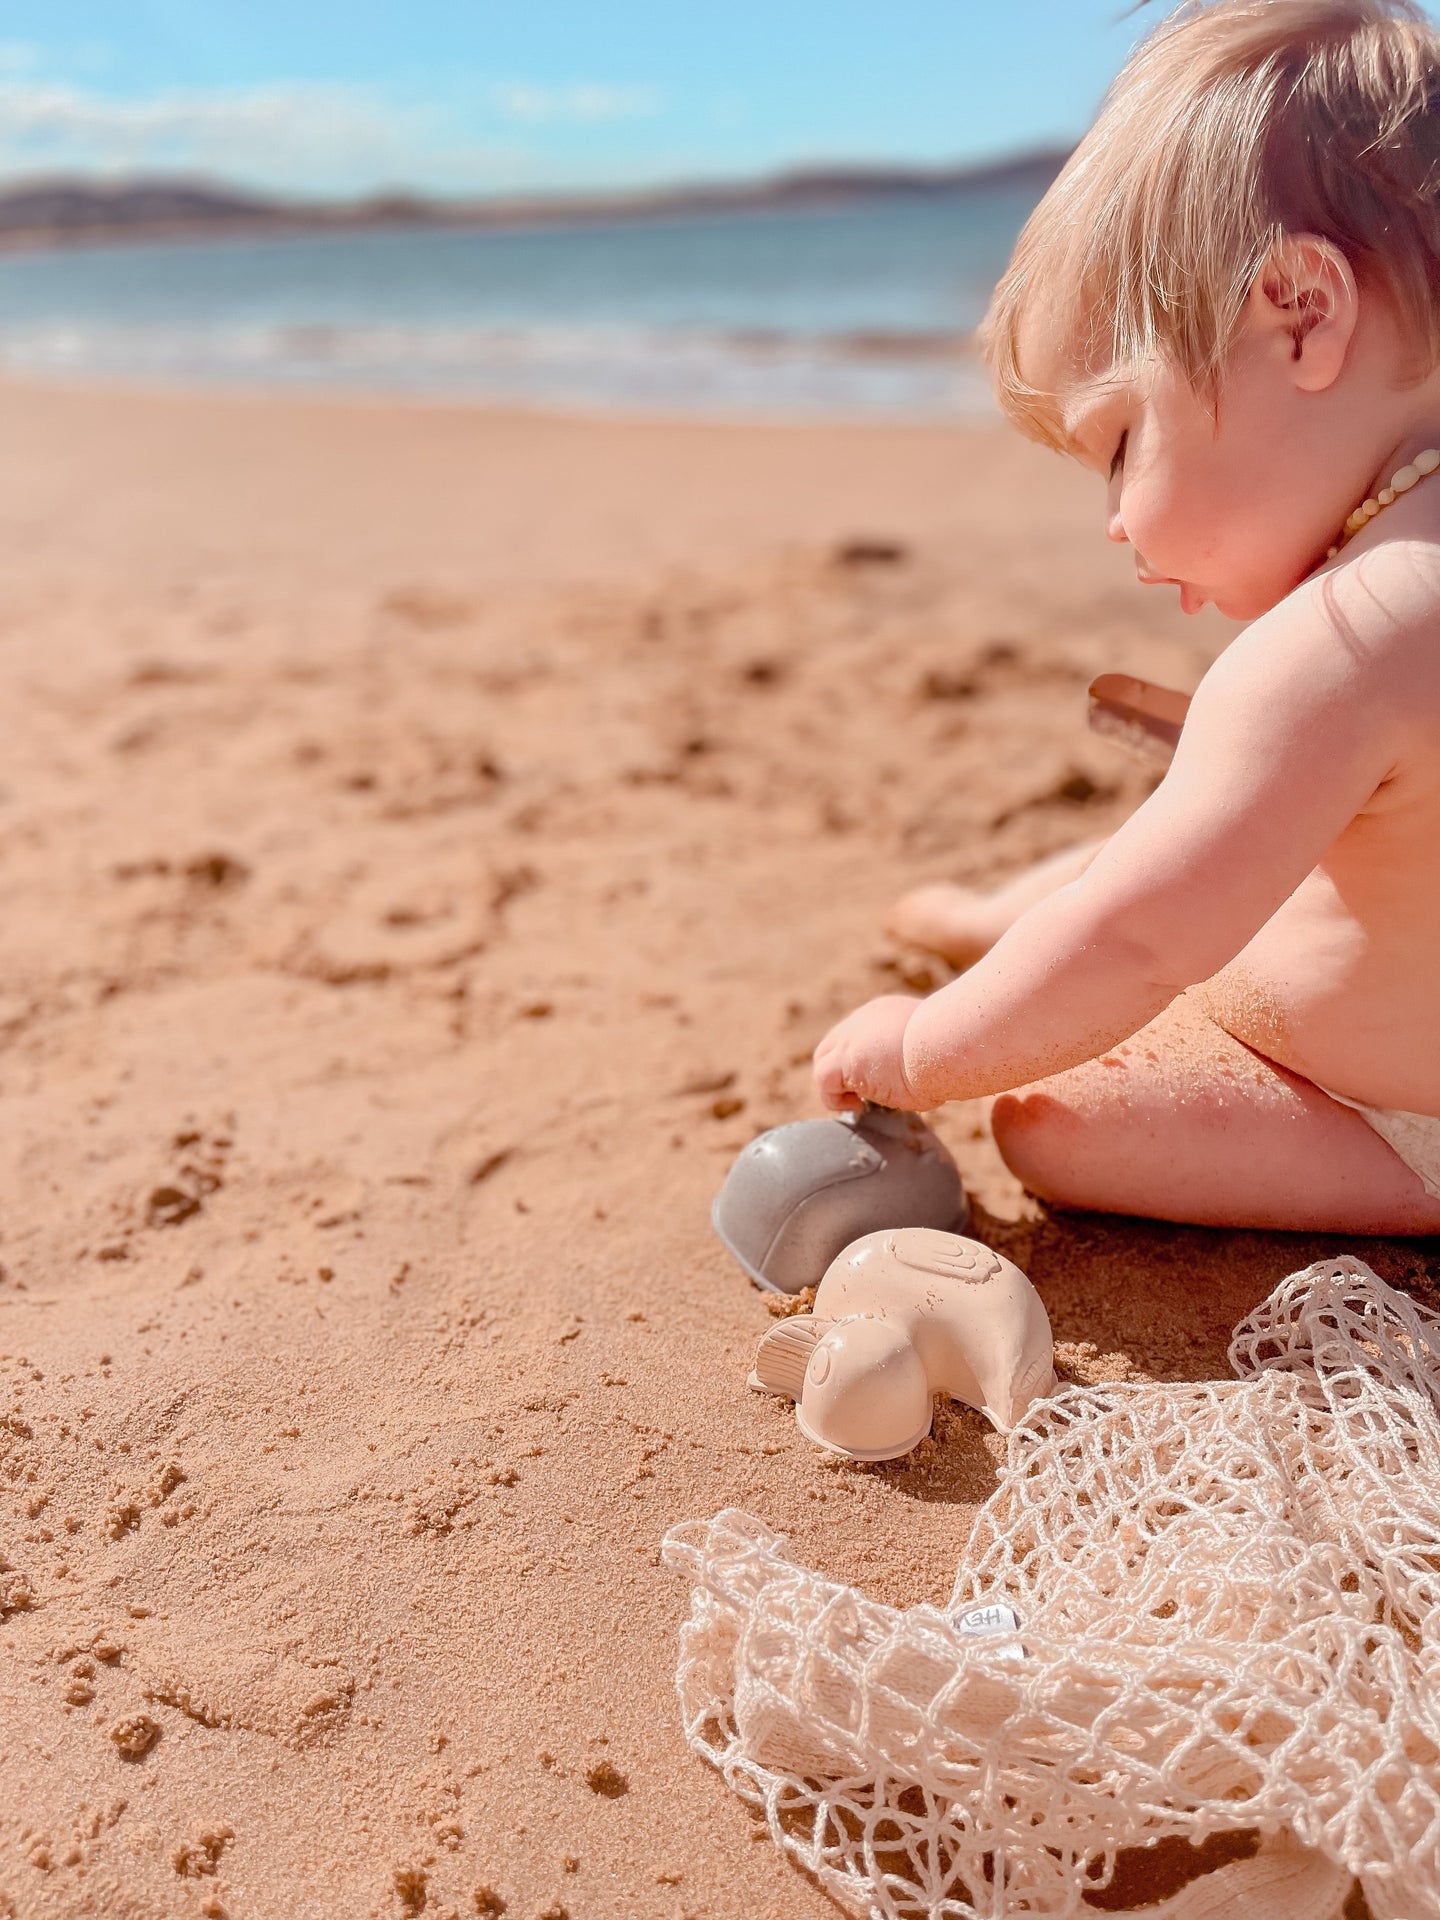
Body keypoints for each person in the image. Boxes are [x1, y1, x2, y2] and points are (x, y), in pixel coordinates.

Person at [813, 0, 1440, 1234]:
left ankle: (996, 944)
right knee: (1182, 816)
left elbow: (1142, 942)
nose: (1112, 520)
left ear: (1304, 316)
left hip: (1397, 1116)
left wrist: (925, 1047)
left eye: (1117, 444)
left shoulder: (1347, 636)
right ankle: (997, 922)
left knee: (1053, 1119)